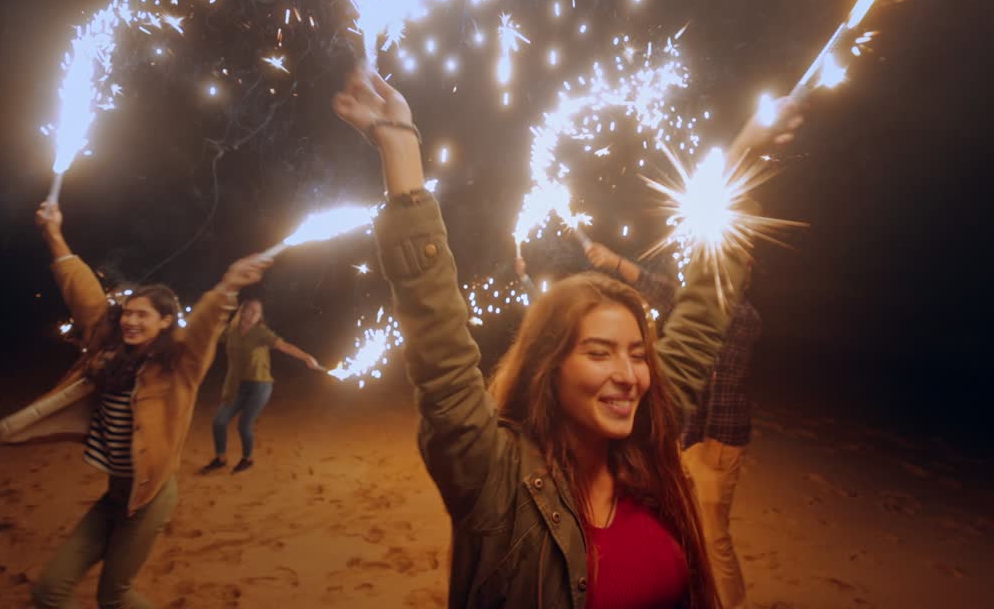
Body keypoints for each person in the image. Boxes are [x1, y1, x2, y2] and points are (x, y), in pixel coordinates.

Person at [332, 68, 801, 608]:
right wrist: (399, 148)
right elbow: (439, 343)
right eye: (599, 353)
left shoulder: (648, 449)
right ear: (548, 367)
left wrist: (743, 154)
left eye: (637, 354)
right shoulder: (493, 477)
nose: (628, 375)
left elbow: (700, 312)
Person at [0, 201, 267, 609]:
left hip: (151, 497)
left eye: (142, 316)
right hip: (116, 493)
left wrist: (228, 288)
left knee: (114, 596)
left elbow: (208, 326)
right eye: (127, 314)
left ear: (166, 322)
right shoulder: (108, 349)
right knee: (49, 591)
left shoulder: (179, 367)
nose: (130, 322)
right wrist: (53, 234)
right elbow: (81, 291)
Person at [584, 240, 762, 609]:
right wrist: (616, 262)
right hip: (696, 435)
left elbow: (676, 303)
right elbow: (670, 295)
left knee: (713, 535)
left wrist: (617, 263)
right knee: (692, 526)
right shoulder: (723, 309)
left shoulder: (743, 316)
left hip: (720, 440)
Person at [199, 297, 324, 474]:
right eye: (249, 310)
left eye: (256, 312)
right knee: (219, 421)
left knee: (244, 425)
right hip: (236, 385)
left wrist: (306, 358)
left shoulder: (261, 333)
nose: (251, 314)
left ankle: (247, 459)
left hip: (259, 385)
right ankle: (220, 458)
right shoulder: (230, 332)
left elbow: (284, 346)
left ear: (260, 317)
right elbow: (210, 335)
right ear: (242, 311)